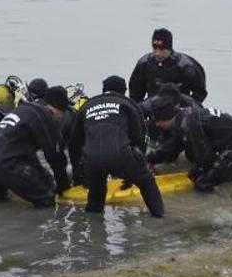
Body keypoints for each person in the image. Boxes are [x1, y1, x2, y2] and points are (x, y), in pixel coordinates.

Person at [68, 75, 165, 216]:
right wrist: (138, 164)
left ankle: (94, 231)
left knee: (96, 197)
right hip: (121, 154)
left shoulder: (86, 106)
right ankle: (159, 216)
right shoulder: (128, 104)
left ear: (103, 90)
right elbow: (143, 136)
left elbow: (74, 142)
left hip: (92, 159)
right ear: (124, 90)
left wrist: (78, 173)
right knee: (147, 182)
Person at [0, 86, 71, 207]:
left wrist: (45, 178)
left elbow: (28, 156)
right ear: (59, 109)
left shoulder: (22, 109)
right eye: (61, 114)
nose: (60, 118)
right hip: (5, 161)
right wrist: (63, 187)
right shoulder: (46, 117)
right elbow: (54, 157)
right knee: (47, 199)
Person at [149, 95, 232, 192]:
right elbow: (172, 146)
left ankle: (213, 206)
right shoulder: (186, 115)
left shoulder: (191, 125)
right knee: (224, 181)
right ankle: (230, 195)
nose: (157, 125)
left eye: (159, 121)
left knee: (201, 183)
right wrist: (149, 159)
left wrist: (197, 172)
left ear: (168, 117)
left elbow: (205, 157)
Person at [128, 28, 207, 104]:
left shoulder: (185, 65)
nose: (157, 53)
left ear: (170, 48)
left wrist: (188, 108)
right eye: (155, 49)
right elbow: (135, 92)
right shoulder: (144, 63)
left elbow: (200, 92)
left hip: (179, 109)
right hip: (153, 108)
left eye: (162, 50)